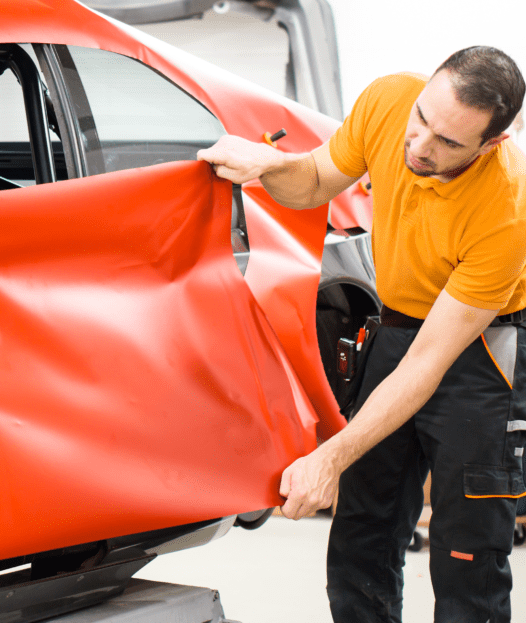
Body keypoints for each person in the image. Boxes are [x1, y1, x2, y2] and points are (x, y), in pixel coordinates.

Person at [196, 46, 526, 622]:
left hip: (479, 353)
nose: (420, 146)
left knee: (466, 556)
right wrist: (268, 165)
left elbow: (428, 365)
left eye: (449, 143)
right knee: (361, 539)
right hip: (398, 326)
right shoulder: (389, 100)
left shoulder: (509, 208)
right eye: (422, 119)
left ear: (491, 144)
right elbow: (319, 179)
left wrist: (330, 457)